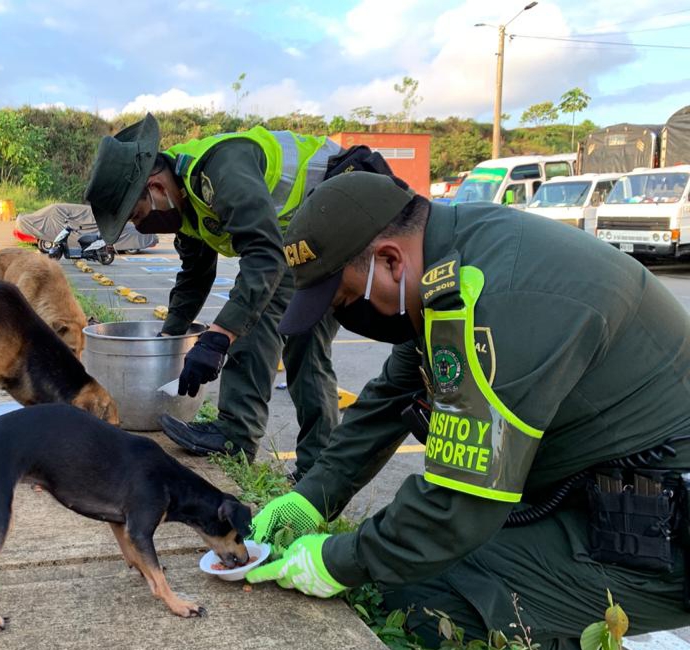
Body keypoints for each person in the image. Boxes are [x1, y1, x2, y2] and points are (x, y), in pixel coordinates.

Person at [244, 171, 690, 648]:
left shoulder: (504, 299)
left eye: (348, 299)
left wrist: (338, 561)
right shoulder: (453, 261)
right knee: (410, 560)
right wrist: (311, 497)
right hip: (600, 493)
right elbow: (388, 397)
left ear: (390, 260)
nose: (346, 316)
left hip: (655, 531)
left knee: (426, 598)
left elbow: (460, 503)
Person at [84, 113, 403, 479]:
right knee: (283, 334)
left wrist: (220, 336)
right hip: (300, 234)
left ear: (155, 187)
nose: (139, 226)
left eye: (137, 215)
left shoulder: (221, 170)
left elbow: (265, 255)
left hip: (343, 208)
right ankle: (294, 457)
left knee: (276, 330)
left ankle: (262, 445)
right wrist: (170, 336)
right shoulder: (187, 200)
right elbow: (194, 275)